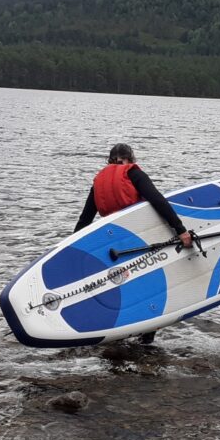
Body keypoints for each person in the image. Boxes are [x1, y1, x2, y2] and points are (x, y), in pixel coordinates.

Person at [74, 143, 192, 344]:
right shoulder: (133, 174)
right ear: (131, 159)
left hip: (112, 247)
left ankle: (118, 338)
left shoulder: (99, 181)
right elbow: (158, 201)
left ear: (109, 160)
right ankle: (146, 342)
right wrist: (180, 230)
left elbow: (85, 220)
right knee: (152, 290)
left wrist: (74, 253)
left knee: (122, 290)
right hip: (138, 242)